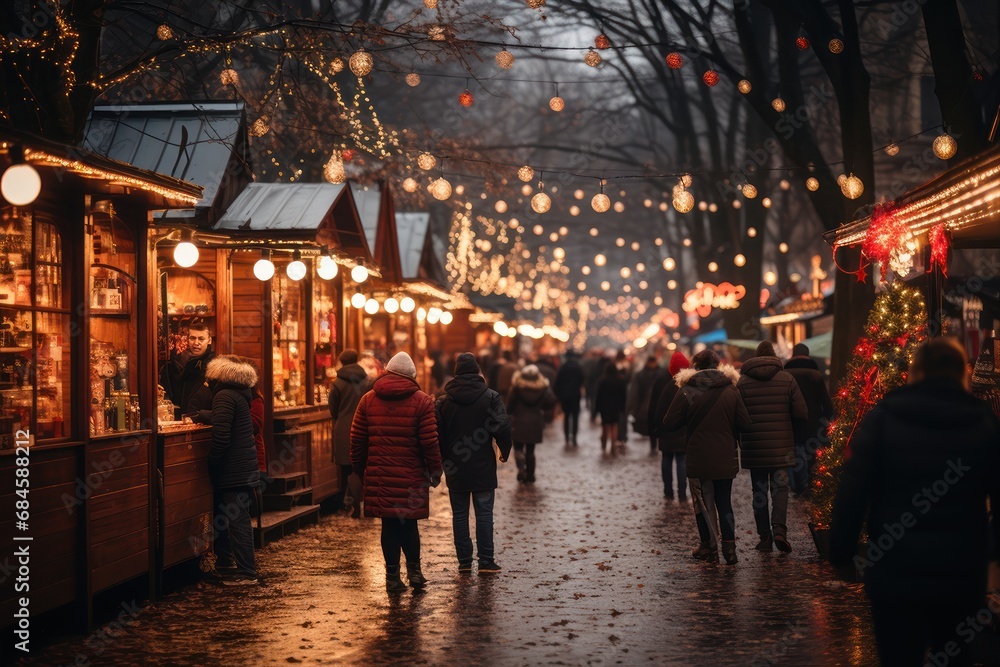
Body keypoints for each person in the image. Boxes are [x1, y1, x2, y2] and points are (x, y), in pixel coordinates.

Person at [830, 338, 1000, 666]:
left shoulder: (882, 419)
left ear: (915, 372)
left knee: (899, 654)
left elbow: (853, 490)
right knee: (955, 653)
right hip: (961, 570)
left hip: (896, 568)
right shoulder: (983, 423)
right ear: (960, 374)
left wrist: (842, 551)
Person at [351, 352, 442, 593]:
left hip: (380, 476)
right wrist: (435, 470)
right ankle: (415, 573)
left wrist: (359, 470)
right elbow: (430, 442)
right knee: (409, 524)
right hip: (412, 476)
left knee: (389, 525)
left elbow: (357, 440)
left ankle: (392, 577)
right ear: (412, 376)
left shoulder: (368, 400)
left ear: (388, 372)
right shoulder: (422, 401)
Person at [664, 350, 750, 565]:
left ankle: (708, 546)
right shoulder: (731, 390)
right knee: (724, 502)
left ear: (696, 367)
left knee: (702, 503)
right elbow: (745, 424)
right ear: (719, 365)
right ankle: (729, 549)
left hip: (698, 455)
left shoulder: (688, 390)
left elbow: (670, 422)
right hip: (724, 456)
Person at [436, 353, 513, 574]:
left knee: (459, 514)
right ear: (477, 371)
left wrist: (441, 458)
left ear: (456, 373)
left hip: (455, 466)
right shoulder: (490, 397)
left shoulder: (443, 401)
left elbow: (436, 433)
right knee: (484, 514)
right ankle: (487, 561)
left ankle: (464, 562)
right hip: (483, 465)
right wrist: (503, 450)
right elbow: (503, 426)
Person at [737, 341, 808, 553]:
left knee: (758, 491)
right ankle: (779, 530)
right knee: (780, 489)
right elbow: (801, 412)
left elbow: (737, 416)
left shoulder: (742, 382)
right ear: (774, 356)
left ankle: (764, 537)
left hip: (754, 447)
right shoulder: (787, 379)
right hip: (781, 448)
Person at [204, 355, 261, 585]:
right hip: (244, 465)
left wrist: (212, 464)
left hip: (233, 467)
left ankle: (248, 573)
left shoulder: (223, 395)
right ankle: (229, 563)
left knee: (238, 521)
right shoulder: (238, 393)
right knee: (237, 518)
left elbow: (221, 437)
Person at [783, 343, 833, 495]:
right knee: (812, 455)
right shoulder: (815, 375)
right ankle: (812, 485)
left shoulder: (785, 375)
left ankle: (797, 485)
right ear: (808, 355)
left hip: (792, 421)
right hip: (813, 423)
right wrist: (828, 418)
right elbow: (826, 401)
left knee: (794, 455)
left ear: (793, 355)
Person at [329, 349, 372, 517]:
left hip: (343, 429)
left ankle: (351, 505)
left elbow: (333, 408)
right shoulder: (367, 381)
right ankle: (367, 505)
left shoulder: (337, 383)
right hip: (365, 428)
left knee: (347, 469)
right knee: (364, 468)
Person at [649, 351, 691, 500]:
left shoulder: (661, 381)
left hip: (665, 428)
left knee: (666, 458)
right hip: (683, 429)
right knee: (681, 459)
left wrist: (654, 427)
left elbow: (653, 405)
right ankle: (682, 492)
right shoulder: (689, 383)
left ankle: (668, 491)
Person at [506, 364, 556, 483]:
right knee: (531, 450)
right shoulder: (542, 388)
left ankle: (521, 468)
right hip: (535, 422)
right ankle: (530, 475)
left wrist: (508, 416)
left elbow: (510, 405)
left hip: (518, 421)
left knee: (518, 448)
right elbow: (551, 401)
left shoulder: (516, 387)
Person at [159, 322, 215, 416]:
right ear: (188, 339)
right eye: (192, 338)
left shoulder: (215, 366)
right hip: (177, 420)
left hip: (203, 421)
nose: (196, 343)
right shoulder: (177, 362)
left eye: (201, 339)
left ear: (209, 340)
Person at [630, 356, 666, 451]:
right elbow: (635, 392)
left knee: (654, 424)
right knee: (652, 424)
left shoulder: (642, 374)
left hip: (654, 403)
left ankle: (655, 442)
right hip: (651, 403)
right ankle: (654, 443)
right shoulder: (661, 373)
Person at [593, 362, 628, 453]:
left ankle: (604, 444)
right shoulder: (620, 381)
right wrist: (623, 407)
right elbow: (624, 395)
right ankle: (613, 444)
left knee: (605, 426)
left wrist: (596, 410)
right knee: (614, 425)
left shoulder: (602, 381)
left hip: (604, 407)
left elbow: (598, 396)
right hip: (616, 407)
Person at [553, 350, 585, 447]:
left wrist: (558, 395)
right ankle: (574, 437)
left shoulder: (563, 367)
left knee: (566, 416)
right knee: (575, 417)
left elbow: (557, 382)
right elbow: (582, 380)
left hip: (565, 396)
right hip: (575, 395)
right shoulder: (578, 367)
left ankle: (567, 437)